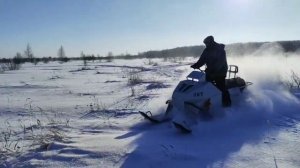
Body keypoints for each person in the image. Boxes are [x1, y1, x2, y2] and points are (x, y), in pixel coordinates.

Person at [191, 36, 231, 107]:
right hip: (210, 71)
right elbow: (202, 59)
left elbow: (220, 62)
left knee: (221, 86)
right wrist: (196, 65)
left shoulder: (220, 50)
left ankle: (227, 103)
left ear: (211, 42)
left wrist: (214, 70)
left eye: (207, 43)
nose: (206, 45)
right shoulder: (207, 50)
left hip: (220, 71)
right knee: (206, 85)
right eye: (205, 43)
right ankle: (208, 102)